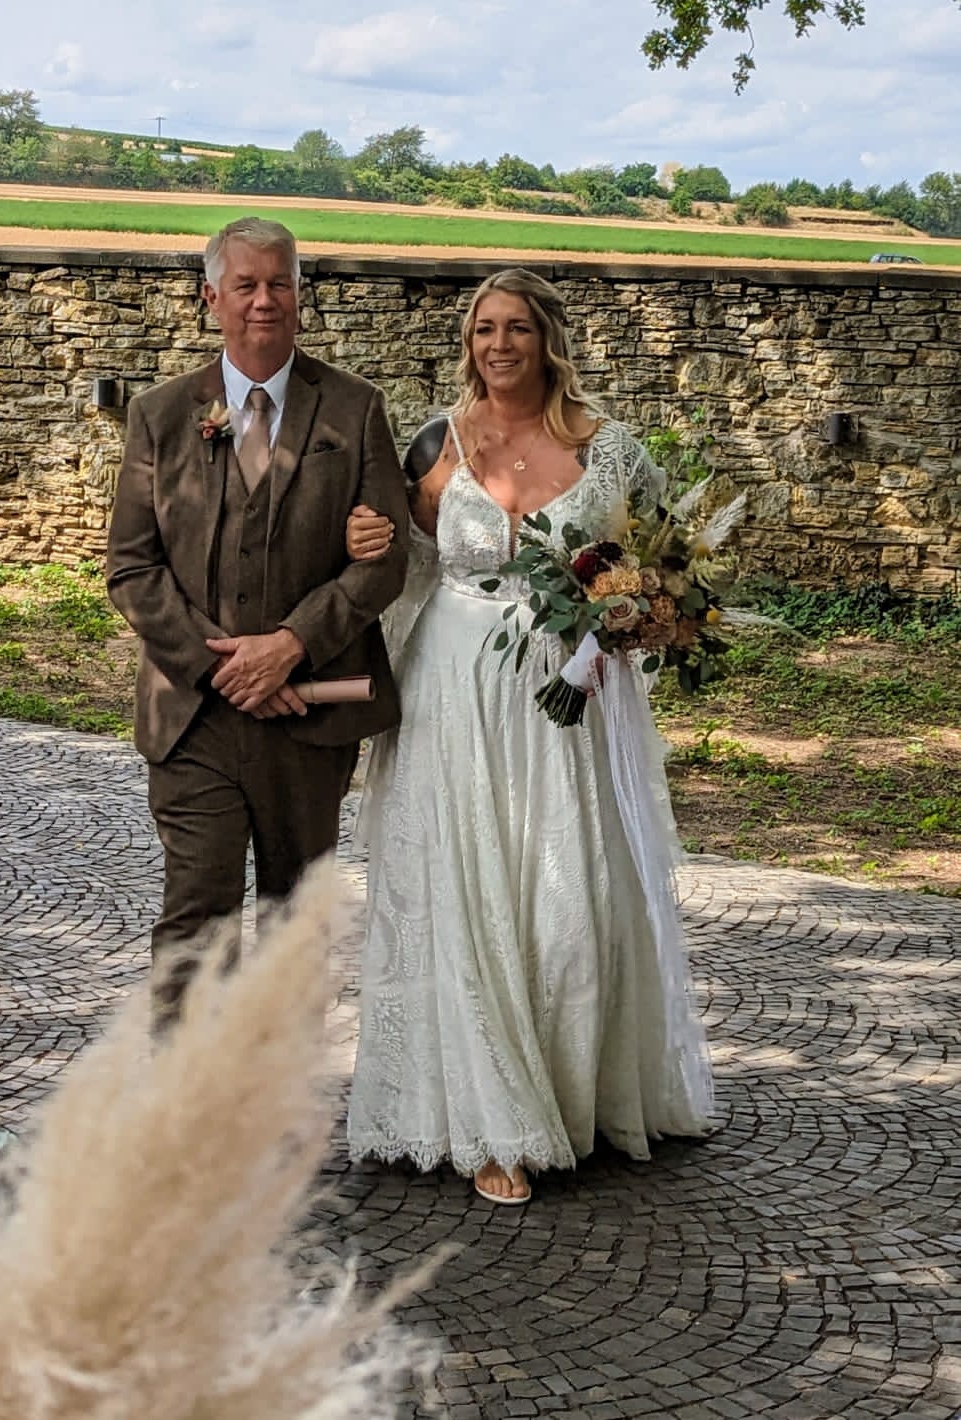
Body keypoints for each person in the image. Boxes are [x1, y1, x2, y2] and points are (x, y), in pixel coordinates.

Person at [343, 269, 715, 1205]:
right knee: (458, 885)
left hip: (566, 692)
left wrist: (642, 617)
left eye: (515, 328)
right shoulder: (437, 442)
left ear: (549, 338)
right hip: (452, 685)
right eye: (483, 329)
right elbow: (397, 559)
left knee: (565, 891)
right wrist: (361, 542)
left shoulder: (611, 449)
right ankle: (484, 1119)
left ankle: (573, 1095)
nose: (497, 345)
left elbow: (671, 568)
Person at [106, 216, 410, 1017]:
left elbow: (385, 560)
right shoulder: (161, 415)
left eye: (280, 283)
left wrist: (291, 646)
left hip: (310, 715)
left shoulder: (354, 409)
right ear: (212, 298)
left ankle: (276, 1088)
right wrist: (227, 668)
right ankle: (184, 1088)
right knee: (196, 917)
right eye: (245, 285)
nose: (264, 300)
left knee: (294, 925)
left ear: (301, 296)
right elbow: (131, 566)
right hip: (193, 715)